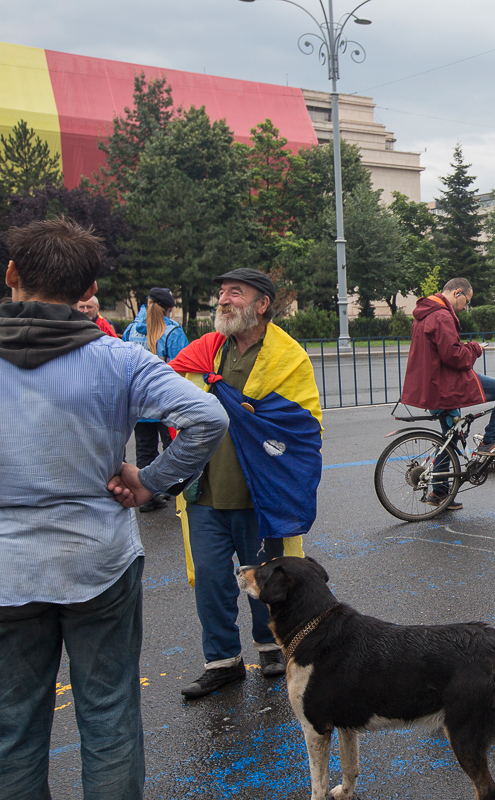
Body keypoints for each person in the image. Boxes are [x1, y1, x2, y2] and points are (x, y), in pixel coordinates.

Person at [0, 218, 227, 799]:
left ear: (12, 276)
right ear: (85, 290)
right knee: (108, 715)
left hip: (8, 570)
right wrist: (151, 482)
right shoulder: (117, 358)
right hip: (97, 558)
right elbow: (207, 417)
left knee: (14, 728)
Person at [171, 268, 323, 699]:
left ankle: (271, 648)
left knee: (268, 579)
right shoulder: (205, 350)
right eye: (221, 292)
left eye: (234, 293)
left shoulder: (288, 356)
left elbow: (302, 423)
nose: (223, 300)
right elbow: (176, 402)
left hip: (260, 494)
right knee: (211, 579)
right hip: (204, 492)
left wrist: (253, 417)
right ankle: (221, 662)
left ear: (261, 305)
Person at [402, 277, 495, 510]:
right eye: (467, 301)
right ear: (458, 293)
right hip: (445, 385)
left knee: (450, 438)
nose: (466, 307)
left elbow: (442, 350)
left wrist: (464, 347)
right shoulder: (442, 315)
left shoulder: (425, 313)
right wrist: (474, 348)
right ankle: (491, 441)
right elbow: (454, 357)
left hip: (431, 385)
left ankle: (441, 493)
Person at [123, 288, 190, 512]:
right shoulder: (173, 331)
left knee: (144, 449)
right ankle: (176, 491)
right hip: (166, 401)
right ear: (169, 308)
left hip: (138, 402)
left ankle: (147, 495)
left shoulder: (131, 329)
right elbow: (183, 367)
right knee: (174, 446)